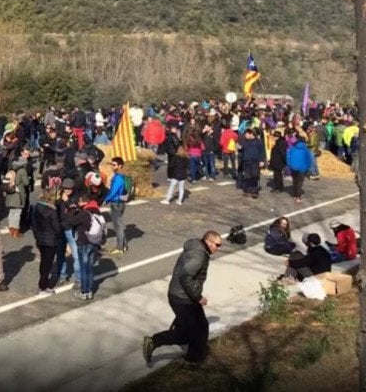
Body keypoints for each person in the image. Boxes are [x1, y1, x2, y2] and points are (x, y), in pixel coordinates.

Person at [142, 230, 222, 367]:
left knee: (201, 327)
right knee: (190, 333)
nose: (218, 248)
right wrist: (198, 297)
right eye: (217, 245)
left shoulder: (196, 248)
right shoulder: (199, 256)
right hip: (183, 298)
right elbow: (185, 276)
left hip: (183, 296)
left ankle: (194, 357)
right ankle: (155, 342)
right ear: (208, 242)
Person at [64, 195, 105, 300]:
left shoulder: (84, 214)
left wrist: (72, 210)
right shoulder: (96, 213)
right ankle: (90, 291)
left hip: (84, 243)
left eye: (79, 202)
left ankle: (84, 292)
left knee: (84, 268)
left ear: (83, 203)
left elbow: (71, 221)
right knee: (90, 268)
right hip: (93, 243)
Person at [31, 188, 63, 295]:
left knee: (43, 263)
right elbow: (57, 228)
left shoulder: (36, 207)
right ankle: (42, 286)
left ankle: (43, 284)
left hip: (40, 239)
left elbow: (34, 225)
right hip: (51, 241)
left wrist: (37, 237)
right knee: (47, 265)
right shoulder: (52, 211)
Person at [103, 157, 130, 255]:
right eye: (112, 164)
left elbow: (113, 192)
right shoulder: (119, 176)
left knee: (118, 226)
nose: (112, 166)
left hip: (117, 204)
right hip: (119, 203)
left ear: (120, 166)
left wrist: (105, 200)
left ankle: (120, 247)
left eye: (114, 165)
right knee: (118, 226)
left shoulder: (118, 178)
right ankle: (124, 245)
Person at [239, 129, 266, 199]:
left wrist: (262, 161)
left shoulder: (258, 142)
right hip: (246, 162)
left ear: (251, 134)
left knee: (254, 176)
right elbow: (242, 149)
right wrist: (239, 148)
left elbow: (262, 152)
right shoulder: (245, 141)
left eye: (247, 134)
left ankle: (255, 192)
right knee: (247, 177)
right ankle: (248, 191)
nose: (245, 136)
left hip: (255, 162)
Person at [286, 136, 313, 203]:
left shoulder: (292, 148)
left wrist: (289, 165)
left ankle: (295, 194)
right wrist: (308, 167)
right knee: (300, 182)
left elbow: (288, 157)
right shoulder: (306, 149)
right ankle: (298, 196)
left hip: (293, 167)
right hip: (303, 168)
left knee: (295, 181)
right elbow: (309, 159)